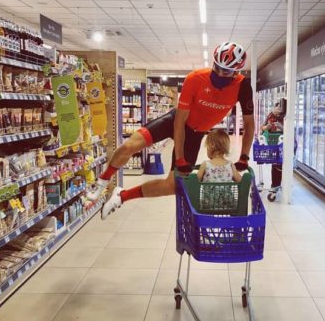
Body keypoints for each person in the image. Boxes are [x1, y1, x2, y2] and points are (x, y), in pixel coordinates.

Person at [90, 41, 256, 219]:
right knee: (130, 145)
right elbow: (179, 121)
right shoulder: (195, 78)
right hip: (174, 121)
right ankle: (102, 182)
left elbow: (249, 124)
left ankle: (121, 196)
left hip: (195, 134)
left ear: (236, 72)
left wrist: (244, 156)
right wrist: (179, 158)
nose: (219, 74)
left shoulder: (243, 87)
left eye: (226, 71)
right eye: (217, 67)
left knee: (172, 186)